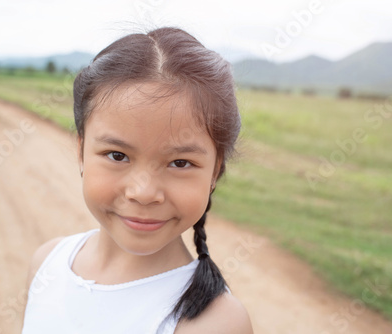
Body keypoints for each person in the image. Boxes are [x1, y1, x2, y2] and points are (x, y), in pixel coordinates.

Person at [22, 27, 253, 334]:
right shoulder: (46, 264)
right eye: (117, 156)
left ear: (215, 171)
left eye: (180, 162)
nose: (143, 193)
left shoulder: (214, 324)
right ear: (81, 151)